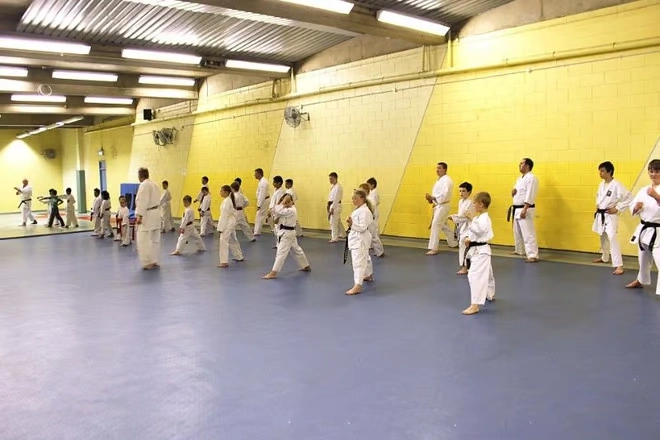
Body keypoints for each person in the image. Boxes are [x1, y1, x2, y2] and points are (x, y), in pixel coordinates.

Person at [626, 159, 660, 294]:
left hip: (658, 231)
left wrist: (657, 197)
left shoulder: (653, 191)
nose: (653, 174)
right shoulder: (643, 190)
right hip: (644, 229)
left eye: (657, 171)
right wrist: (636, 208)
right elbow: (633, 207)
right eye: (651, 171)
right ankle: (641, 280)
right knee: (643, 258)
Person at [592, 161, 632, 275]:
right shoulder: (601, 184)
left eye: (602, 171)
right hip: (601, 214)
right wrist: (597, 205)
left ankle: (619, 265)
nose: (600, 173)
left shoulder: (617, 185)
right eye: (600, 171)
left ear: (609, 171)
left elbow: (629, 197)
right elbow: (598, 197)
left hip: (610, 215)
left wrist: (618, 208)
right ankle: (604, 257)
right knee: (602, 236)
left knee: (612, 238)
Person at [462, 192, 496, 315]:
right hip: (477, 249)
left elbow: (480, 231)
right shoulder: (478, 218)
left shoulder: (484, 219)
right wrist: (468, 239)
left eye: (475, 203)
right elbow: (473, 233)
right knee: (488, 273)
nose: (473, 205)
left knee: (474, 276)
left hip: (481, 251)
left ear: (481, 204)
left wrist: (471, 220)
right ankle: (490, 294)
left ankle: (475, 305)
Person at [263, 193, 311, 279]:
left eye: (288, 201)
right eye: (285, 201)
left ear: (292, 202)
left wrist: (282, 203)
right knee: (297, 250)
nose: (286, 203)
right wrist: (276, 213)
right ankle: (306, 266)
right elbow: (276, 221)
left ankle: (274, 272)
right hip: (287, 233)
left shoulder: (291, 210)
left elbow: (277, 210)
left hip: (287, 233)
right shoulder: (285, 210)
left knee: (281, 253)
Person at [509, 157, 540, 262]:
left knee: (528, 233)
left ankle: (532, 255)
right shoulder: (519, 178)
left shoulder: (531, 178)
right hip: (517, 208)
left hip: (525, 208)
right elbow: (517, 192)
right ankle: (520, 250)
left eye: (521, 164)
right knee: (517, 232)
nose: (519, 165)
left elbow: (530, 193)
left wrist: (525, 208)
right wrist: (513, 192)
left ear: (527, 166)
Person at [345, 189, 374, 295]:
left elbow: (362, 228)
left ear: (362, 198)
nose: (353, 200)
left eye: (355, 198)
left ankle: (357, 285)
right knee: (365, 258)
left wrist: (352, 224)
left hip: (360, 240)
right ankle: (369, 274)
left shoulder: (365, 212)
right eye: (352, 198)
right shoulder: (360, 210)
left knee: (358, 262)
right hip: (358, 239)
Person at [425, 162, 457, 255]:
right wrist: (431, 199)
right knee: (443, 225)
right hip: (438, 205)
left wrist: (433, 198)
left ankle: (433, 248)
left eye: (439, 168)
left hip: (443, 205)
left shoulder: (447, 180)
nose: (437, 170)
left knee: (436, 224)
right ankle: (453, 242)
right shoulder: (439, 180)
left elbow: (445, 195)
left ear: (445, 169)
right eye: (437, 168)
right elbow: (436, 195)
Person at [135, 167, 162, 270]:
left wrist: (139, 215)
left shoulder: (144, 185)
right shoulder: (154, 184)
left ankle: (147, 262)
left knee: (144, 239)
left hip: (148, 214)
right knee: (155, 239)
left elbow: (143, 201)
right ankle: (155, 260)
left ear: (140, 176)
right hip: (156, 213)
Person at [451, 182, 474, 275]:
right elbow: (461, 215)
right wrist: (455, 217)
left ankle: (465, 267)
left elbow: (466, 217)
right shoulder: (460, 202)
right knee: (462, 245)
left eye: (464, 191)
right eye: (460, 191)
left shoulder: (471, 202)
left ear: (469, 192)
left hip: (470, 227)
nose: (461, 193)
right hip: (462, 226)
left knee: (464, 246)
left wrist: (454, 218)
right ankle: (466, 266)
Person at [217, 185, 244, 267]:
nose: (220, 192)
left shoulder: (227, 201)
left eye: (221, 191)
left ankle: (224, 261)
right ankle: (239, 256)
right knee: (232, 239)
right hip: (231, 221)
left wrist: (220, 228)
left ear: (226, 192)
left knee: (223, 240)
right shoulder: (228, 200)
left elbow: (224, 216)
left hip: (227, 222)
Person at [359, 183, 384, 257]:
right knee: (371, 236)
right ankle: (378, 251)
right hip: (368, 219)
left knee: (373, 236)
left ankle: (380, 251)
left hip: (371, 220)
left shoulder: (370, 199)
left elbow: (372, 210)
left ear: (365, 190)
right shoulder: (366, 199)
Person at [328, 172, 346, 243]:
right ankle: (343, 234)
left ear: (335, 178)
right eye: (329, 179)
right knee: (337, 221)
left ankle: (334, 238)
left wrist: (332, 208)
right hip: (332, 205)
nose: (330, 180)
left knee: (333, 222)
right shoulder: (334, 186)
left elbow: (336, 198)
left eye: (331, 179)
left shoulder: (338, 187)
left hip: (335, 206)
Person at [269, 176, 285, 247]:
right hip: (274, 211)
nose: (273, 184)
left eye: (274, 182)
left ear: (279, 183)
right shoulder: (276, 190)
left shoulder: (281, 192)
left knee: (278, 229)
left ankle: (280, 245)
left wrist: (278, 215)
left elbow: (279, 203)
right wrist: (270, 210)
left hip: (278, 212)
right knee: (276, 229)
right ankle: (278, 244)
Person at [254, 168, 270, 235]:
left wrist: (259, 205)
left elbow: (262, 195)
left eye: (255, 174)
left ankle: (256, 232)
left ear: (259, 174)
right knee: (269, 216)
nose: (254, 175)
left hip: (264, 201)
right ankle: (275, 228)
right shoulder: (262, 181)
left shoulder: (263, 183)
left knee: (259, 215)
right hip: (264, 200)